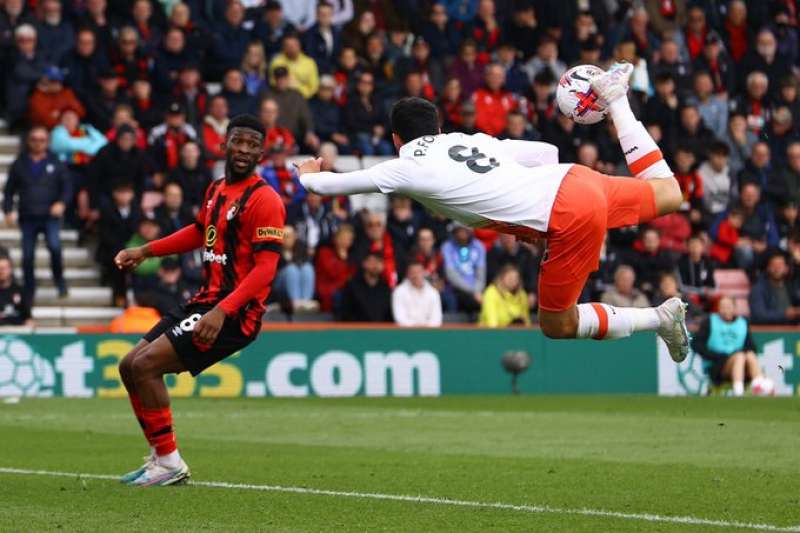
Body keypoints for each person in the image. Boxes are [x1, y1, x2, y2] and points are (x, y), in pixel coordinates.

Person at [298, 64, 691, 362]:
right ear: (437, 127)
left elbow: (325, 185)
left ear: (397, 139)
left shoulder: (404, 165)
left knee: (558, 324)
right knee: (670, 194)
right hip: (573, 178)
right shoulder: (467, 139)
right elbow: (545, 154)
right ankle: (618, 101)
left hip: (565, 214)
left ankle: (659, 318)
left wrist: (306, 173)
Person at [113, 114, 286, 486]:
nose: (243, 149)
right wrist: (146, 250)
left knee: (145, 367)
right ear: (223, 144)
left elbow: (265, 269)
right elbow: (198, 231)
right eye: (238, 141)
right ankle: (161, 459)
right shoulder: (216, 190)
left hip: (233, 312)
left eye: (252, 144)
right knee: (129, 366)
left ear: (261, 152)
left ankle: (170, 462)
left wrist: (222, 312)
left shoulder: (266, 200)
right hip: (203, 302)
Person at [3, 126, 70, 300]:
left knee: (55, 248)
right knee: (27, 255)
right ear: (28, 141)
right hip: (28, 216)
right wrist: (8, 210)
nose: (38, 143)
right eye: (34, 139)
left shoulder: (56, 162)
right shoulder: (20, 162)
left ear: (47, 142)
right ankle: (29, 288)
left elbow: (67, 187)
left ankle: (59, 281)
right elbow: (9, 189)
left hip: (50, 216)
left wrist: (62, 203)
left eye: (42, 140)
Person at [692, 296, 769, 396]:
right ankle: (738, 392)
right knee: (739, 357)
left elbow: (751, 347)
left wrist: (743, 353)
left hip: (741, 363)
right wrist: (717, 356)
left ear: (734, 308)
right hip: (717, 364)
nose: (725, 310)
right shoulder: (709, 322)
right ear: (719, 309)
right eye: (723, 307)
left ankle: (759, 386)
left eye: (728, 307)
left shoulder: (742, 323)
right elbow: (696, 344)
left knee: (750, 355)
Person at [336, 251, 392, 322]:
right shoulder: (352, 286)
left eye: (379, 262)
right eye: (372, 262)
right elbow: (345, 313)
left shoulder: (386, 289)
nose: (375, 265)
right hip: (356, 329)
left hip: (381, 330)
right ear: (364, 263)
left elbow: (389, 316)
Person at [749, 252, 800, 325]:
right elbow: (759, 316)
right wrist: (786, 314)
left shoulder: (793, 287)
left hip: (793, 331)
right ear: (768, 268)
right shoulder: (758, 289)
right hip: (769, 332)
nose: (777, 268)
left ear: (786, 269)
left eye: (780, 265)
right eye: (773, 265)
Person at [392, 261, 442, 327]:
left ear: (424, 272)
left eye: (419, 272)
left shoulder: (433, 292)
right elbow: (400, 318)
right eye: (413, 273)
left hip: (429, 333)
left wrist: (424, 329)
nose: (416, 275)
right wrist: (417, 328)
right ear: (407, 274)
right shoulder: (399, 292)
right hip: (406, 333)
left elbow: (437, 319)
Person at [0, 255, 32, 326]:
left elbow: (27, 317)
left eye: (4, 268)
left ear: (10, 269)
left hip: (18, 331)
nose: (1, 271)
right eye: (0, 268)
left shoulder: (20, 291)